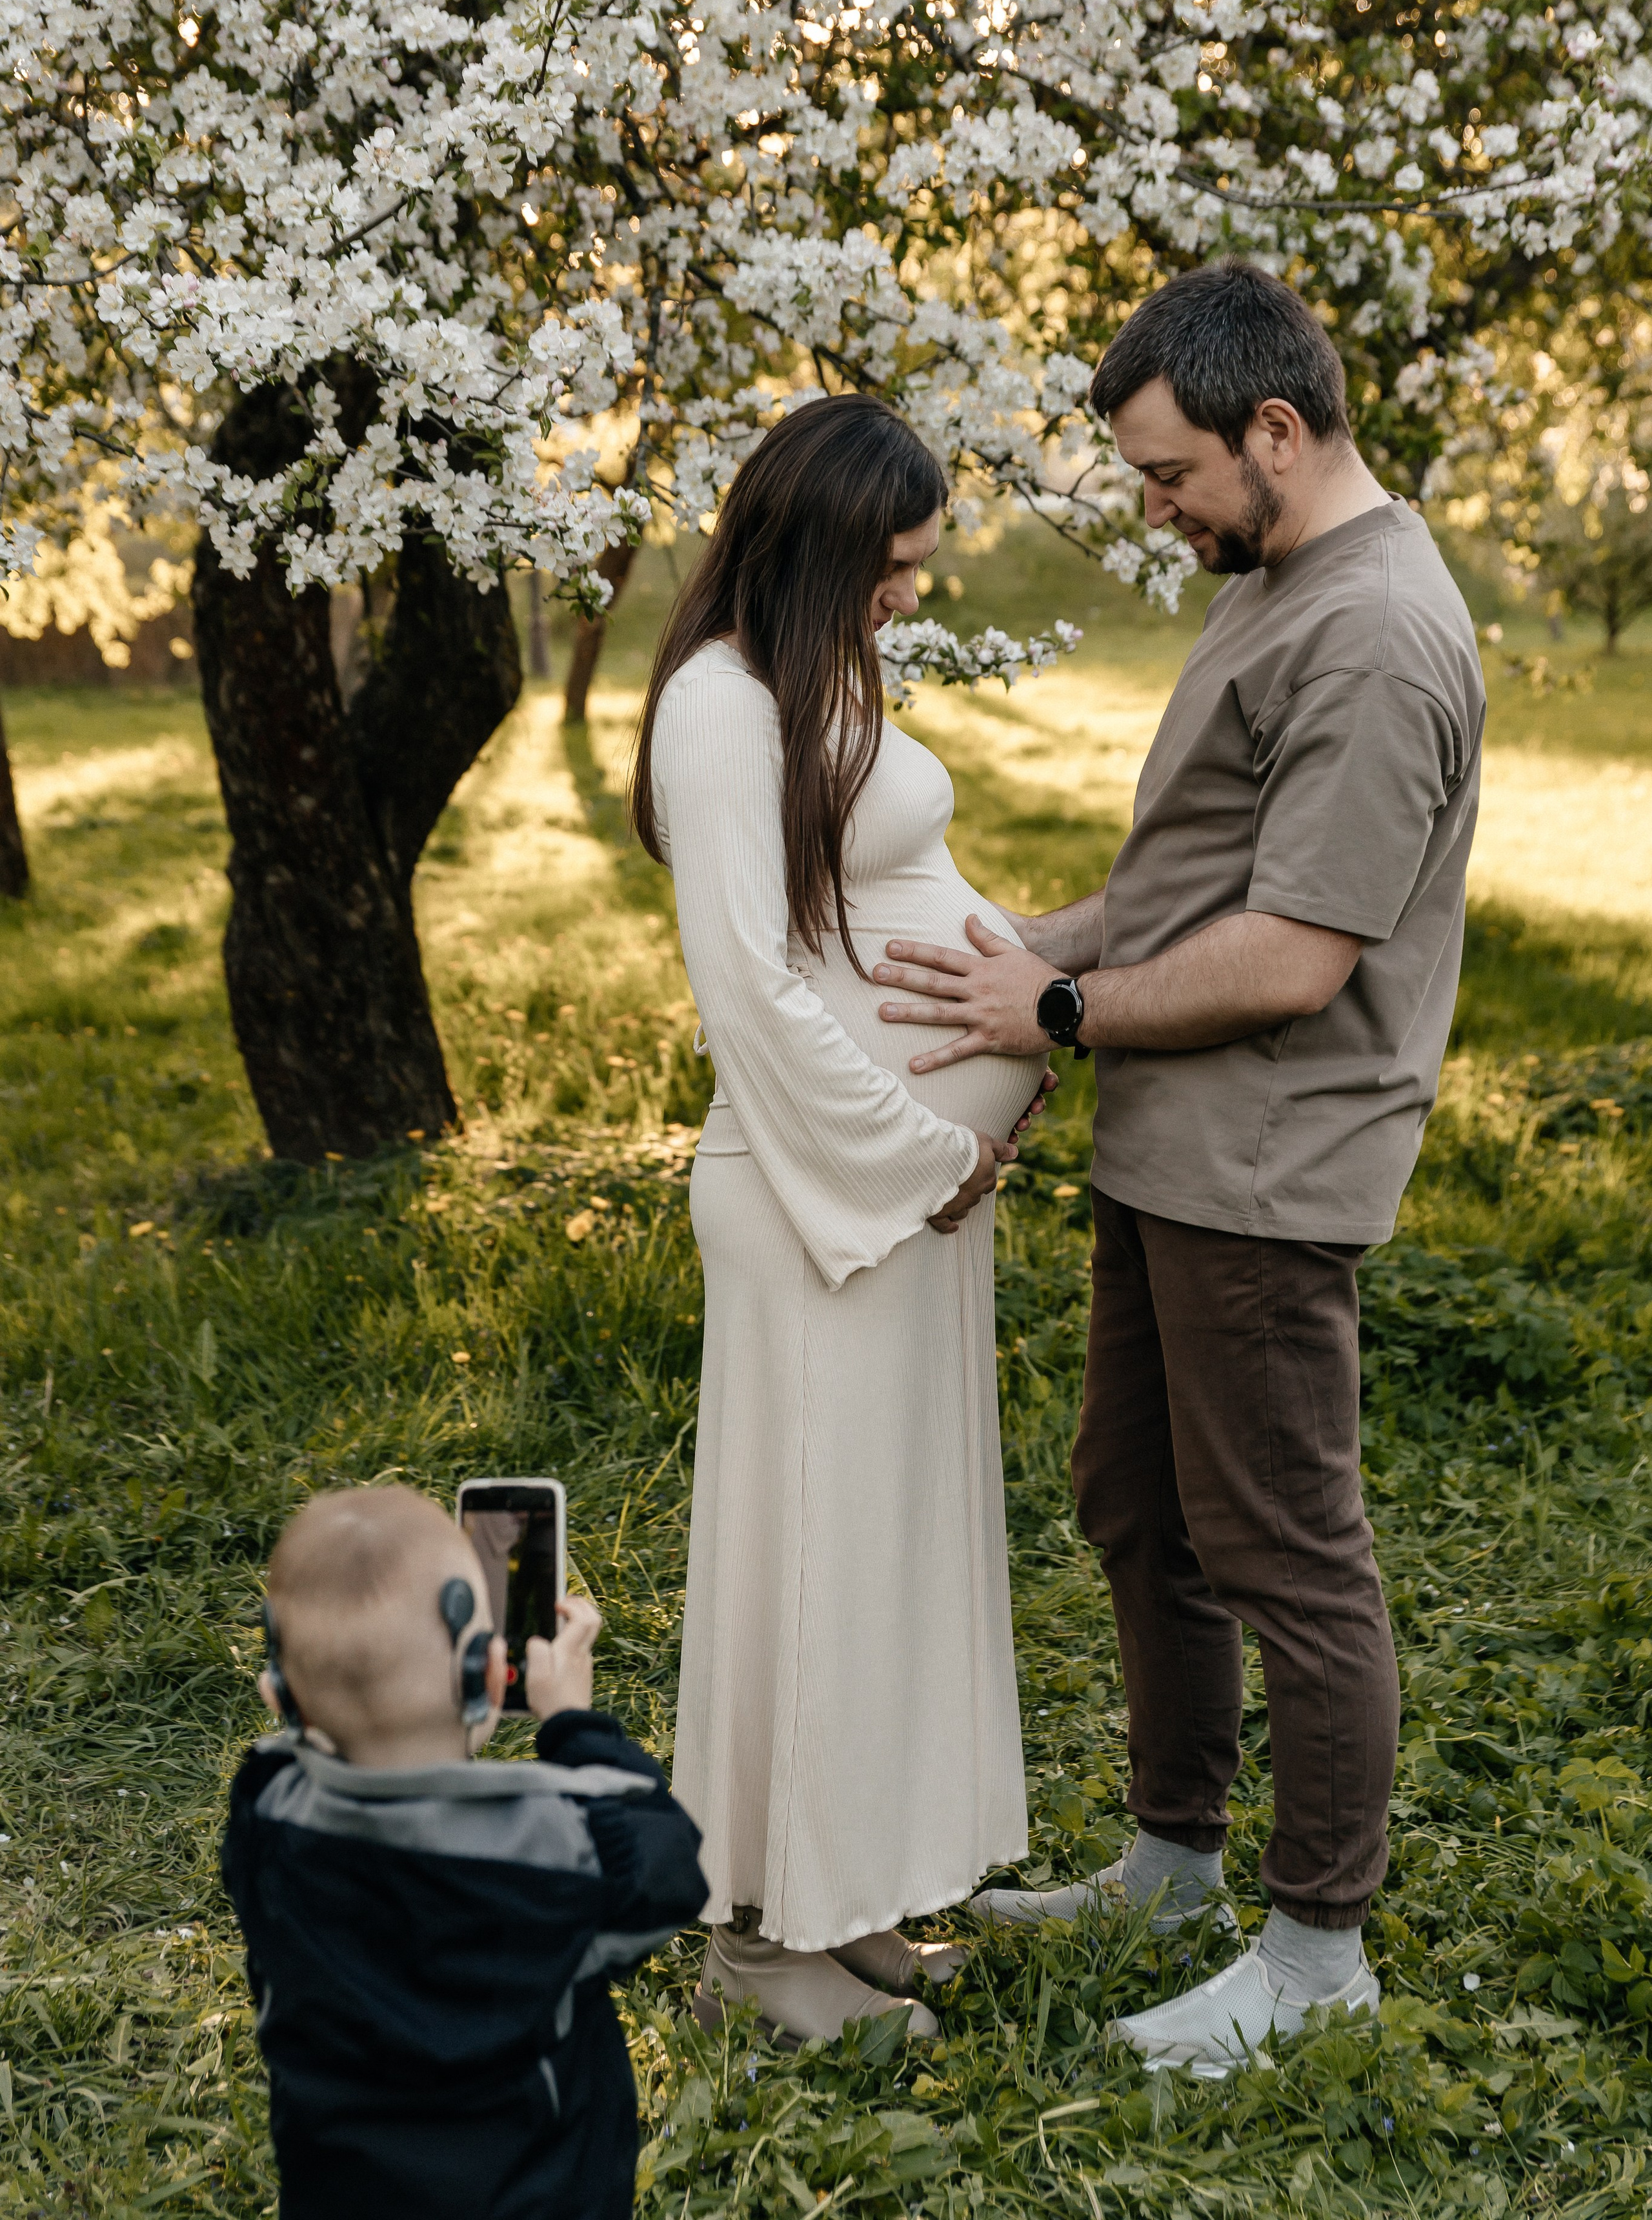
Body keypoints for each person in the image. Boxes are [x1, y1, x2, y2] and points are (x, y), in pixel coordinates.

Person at [872, 262, 1486, 2073]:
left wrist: (1059, 1005)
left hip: (1270, 1170)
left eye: (1170, 476)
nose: (1155, 511)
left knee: (1288, 1550)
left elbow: (1294, 954)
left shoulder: (1376, 632)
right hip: (1172, 1148)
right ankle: (1171, 1861)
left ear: (1276, 433)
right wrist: (1016, 963)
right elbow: (1188, 882)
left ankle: (1316, 1955)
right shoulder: (1280, 576)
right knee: (1142, 1511)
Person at [631, 394, 1054, 2046]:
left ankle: (852, 1901)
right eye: (892, 565)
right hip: (822, 1199)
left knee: (879, 1564)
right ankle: (759, 1942)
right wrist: (922, 1150)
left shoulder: (815, 682)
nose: (910, 592)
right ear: (817, 548)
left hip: (898, 1202)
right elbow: (745, 985)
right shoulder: (719, 707)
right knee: (809, 1563)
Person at [221, 1485, 707, 2218]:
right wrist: (572, 1721)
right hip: (538, 2196)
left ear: (279, 1695)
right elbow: (665, 1858)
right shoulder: (556, 1845)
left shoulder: (266, 1818)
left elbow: (283, 1752)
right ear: (489, 1673)